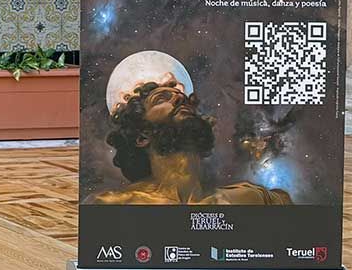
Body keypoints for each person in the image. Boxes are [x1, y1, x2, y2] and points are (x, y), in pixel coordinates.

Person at [85, 72, 293, 205]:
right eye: (161, 99)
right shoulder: (113, 205)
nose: (178, 98)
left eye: (184, 99)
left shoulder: (256, 199)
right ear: (142, 136)